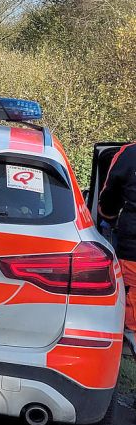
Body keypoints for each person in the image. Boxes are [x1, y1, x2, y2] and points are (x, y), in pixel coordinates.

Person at [97, 144, 136, 354]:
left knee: (132, 318)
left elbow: (109, 198)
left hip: (132, 251)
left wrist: (107, 219)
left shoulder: (129, 154)